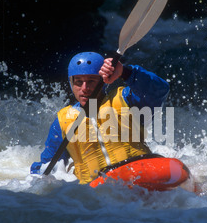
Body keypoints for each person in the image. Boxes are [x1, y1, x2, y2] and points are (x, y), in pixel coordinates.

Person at [31, 51, 170, 184]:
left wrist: (125, 72)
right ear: (71, 84)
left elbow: (160, 90)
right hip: (96, 193)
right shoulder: (62, 122)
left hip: (140, 176)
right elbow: (47, 166)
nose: (84, 88)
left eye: (91, 81)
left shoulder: (126, 99)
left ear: (103, 81)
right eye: (78, 82)